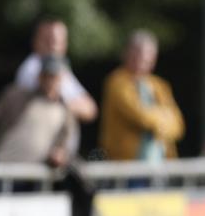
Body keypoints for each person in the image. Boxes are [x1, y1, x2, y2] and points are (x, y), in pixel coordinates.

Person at [99, 30, 184, 162]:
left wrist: (156, 120)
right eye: (138, 52)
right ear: (127, 53)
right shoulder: (117, 81)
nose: (144, 58)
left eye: (149, 54)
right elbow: (140, 116)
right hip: (126, 163)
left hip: (161, 161)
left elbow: (178, 126)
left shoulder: (160, 85)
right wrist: (164, 117)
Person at [0, 55, 77, 167]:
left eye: (54, 76)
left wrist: (60, 155)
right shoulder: (15, 97)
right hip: (1, 168)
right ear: (39, 76)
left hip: (34, 174)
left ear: (62, 78)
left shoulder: (64, 112)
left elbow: (65, 147)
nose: (50, 80)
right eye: (46, 75)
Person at [15, 18, 98, 125]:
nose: (53, 46)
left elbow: (90, 109)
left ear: (65, 44)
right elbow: (48, 104)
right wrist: (69, 105)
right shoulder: (32, 67)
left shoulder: (61, 68)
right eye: (47, 40)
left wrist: (64, 105)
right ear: (35, 41)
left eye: (58, 41)